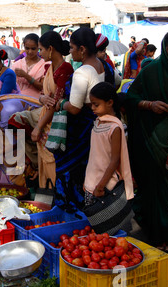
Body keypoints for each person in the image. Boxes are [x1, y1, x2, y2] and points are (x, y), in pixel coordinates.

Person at [125, 30, 168, 252]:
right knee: (154, 186)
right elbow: (131, 97)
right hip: (150, 137)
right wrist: (150, 105)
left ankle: (161, 223)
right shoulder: (152, 70)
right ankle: (159, 235)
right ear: (164, 48)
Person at [55, 27, 120, 211]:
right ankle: (94, 209)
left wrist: (60, 103)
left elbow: (74, 108)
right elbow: (116, 82)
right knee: (92, 168)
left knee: (71, 170)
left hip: (80, 130)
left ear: (82, 49)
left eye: (72, 48)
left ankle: (74, 211)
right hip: (99, 125)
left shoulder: (82, 73)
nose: (70, 51)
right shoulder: (104, 65)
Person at [10, 31, 73, 189]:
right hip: (44, 112)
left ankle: (54, 191)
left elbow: (55, 103)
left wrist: (38, 127)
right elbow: (46, 97)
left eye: (41, 49)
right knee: (16, 122)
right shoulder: (51, 68)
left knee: (51, 157)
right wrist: (42, 99)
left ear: (50, 49)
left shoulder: (64, 69)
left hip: (54, 119)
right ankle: (42, 182)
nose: (39, 53)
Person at [83, 82, 134, 230]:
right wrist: (88, 180)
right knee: (98, 227)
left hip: (106, 185)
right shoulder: (98, 123)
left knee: (110, 226)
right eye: (92, 104)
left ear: (110, 103)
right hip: (92, 181)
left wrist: (100, 185)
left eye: (96, 104)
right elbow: (95, 155)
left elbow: (114, 160)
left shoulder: (115, 127)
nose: (92, 108)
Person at [11, 33, 45, 99]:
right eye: (27, 48)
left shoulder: (44, 65)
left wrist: (26, 76)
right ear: (24, 46)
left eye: (33, 49)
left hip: (35, 101)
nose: (30, 52)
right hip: (17, 99)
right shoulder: (17, 64)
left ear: (38, 47)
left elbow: (42, 87)